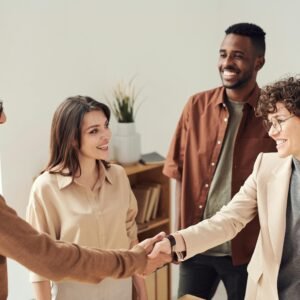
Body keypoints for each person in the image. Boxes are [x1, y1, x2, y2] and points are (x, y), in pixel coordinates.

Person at [0, 100, 169, 300]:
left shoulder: (118, 176)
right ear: (72, 139)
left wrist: (141, 291)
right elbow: (40, 267)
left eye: (106, 126)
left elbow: (130, 236)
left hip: (120, 293)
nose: (106, 135)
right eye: (94, 131)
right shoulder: (46, 188)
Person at [150, 76, 300, 299]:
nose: (272, 132)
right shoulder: (266, 168)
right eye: (270, 122)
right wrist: (174, 242)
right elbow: (228, 220)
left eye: (279, 120)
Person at [163, 22, 276, 300]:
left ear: (258, 62)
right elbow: (176, 172)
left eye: (237, 55)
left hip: (246, 251)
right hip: (196, 245)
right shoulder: (195, 107)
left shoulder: (272, 115)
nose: (227, 62)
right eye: (223, 54)